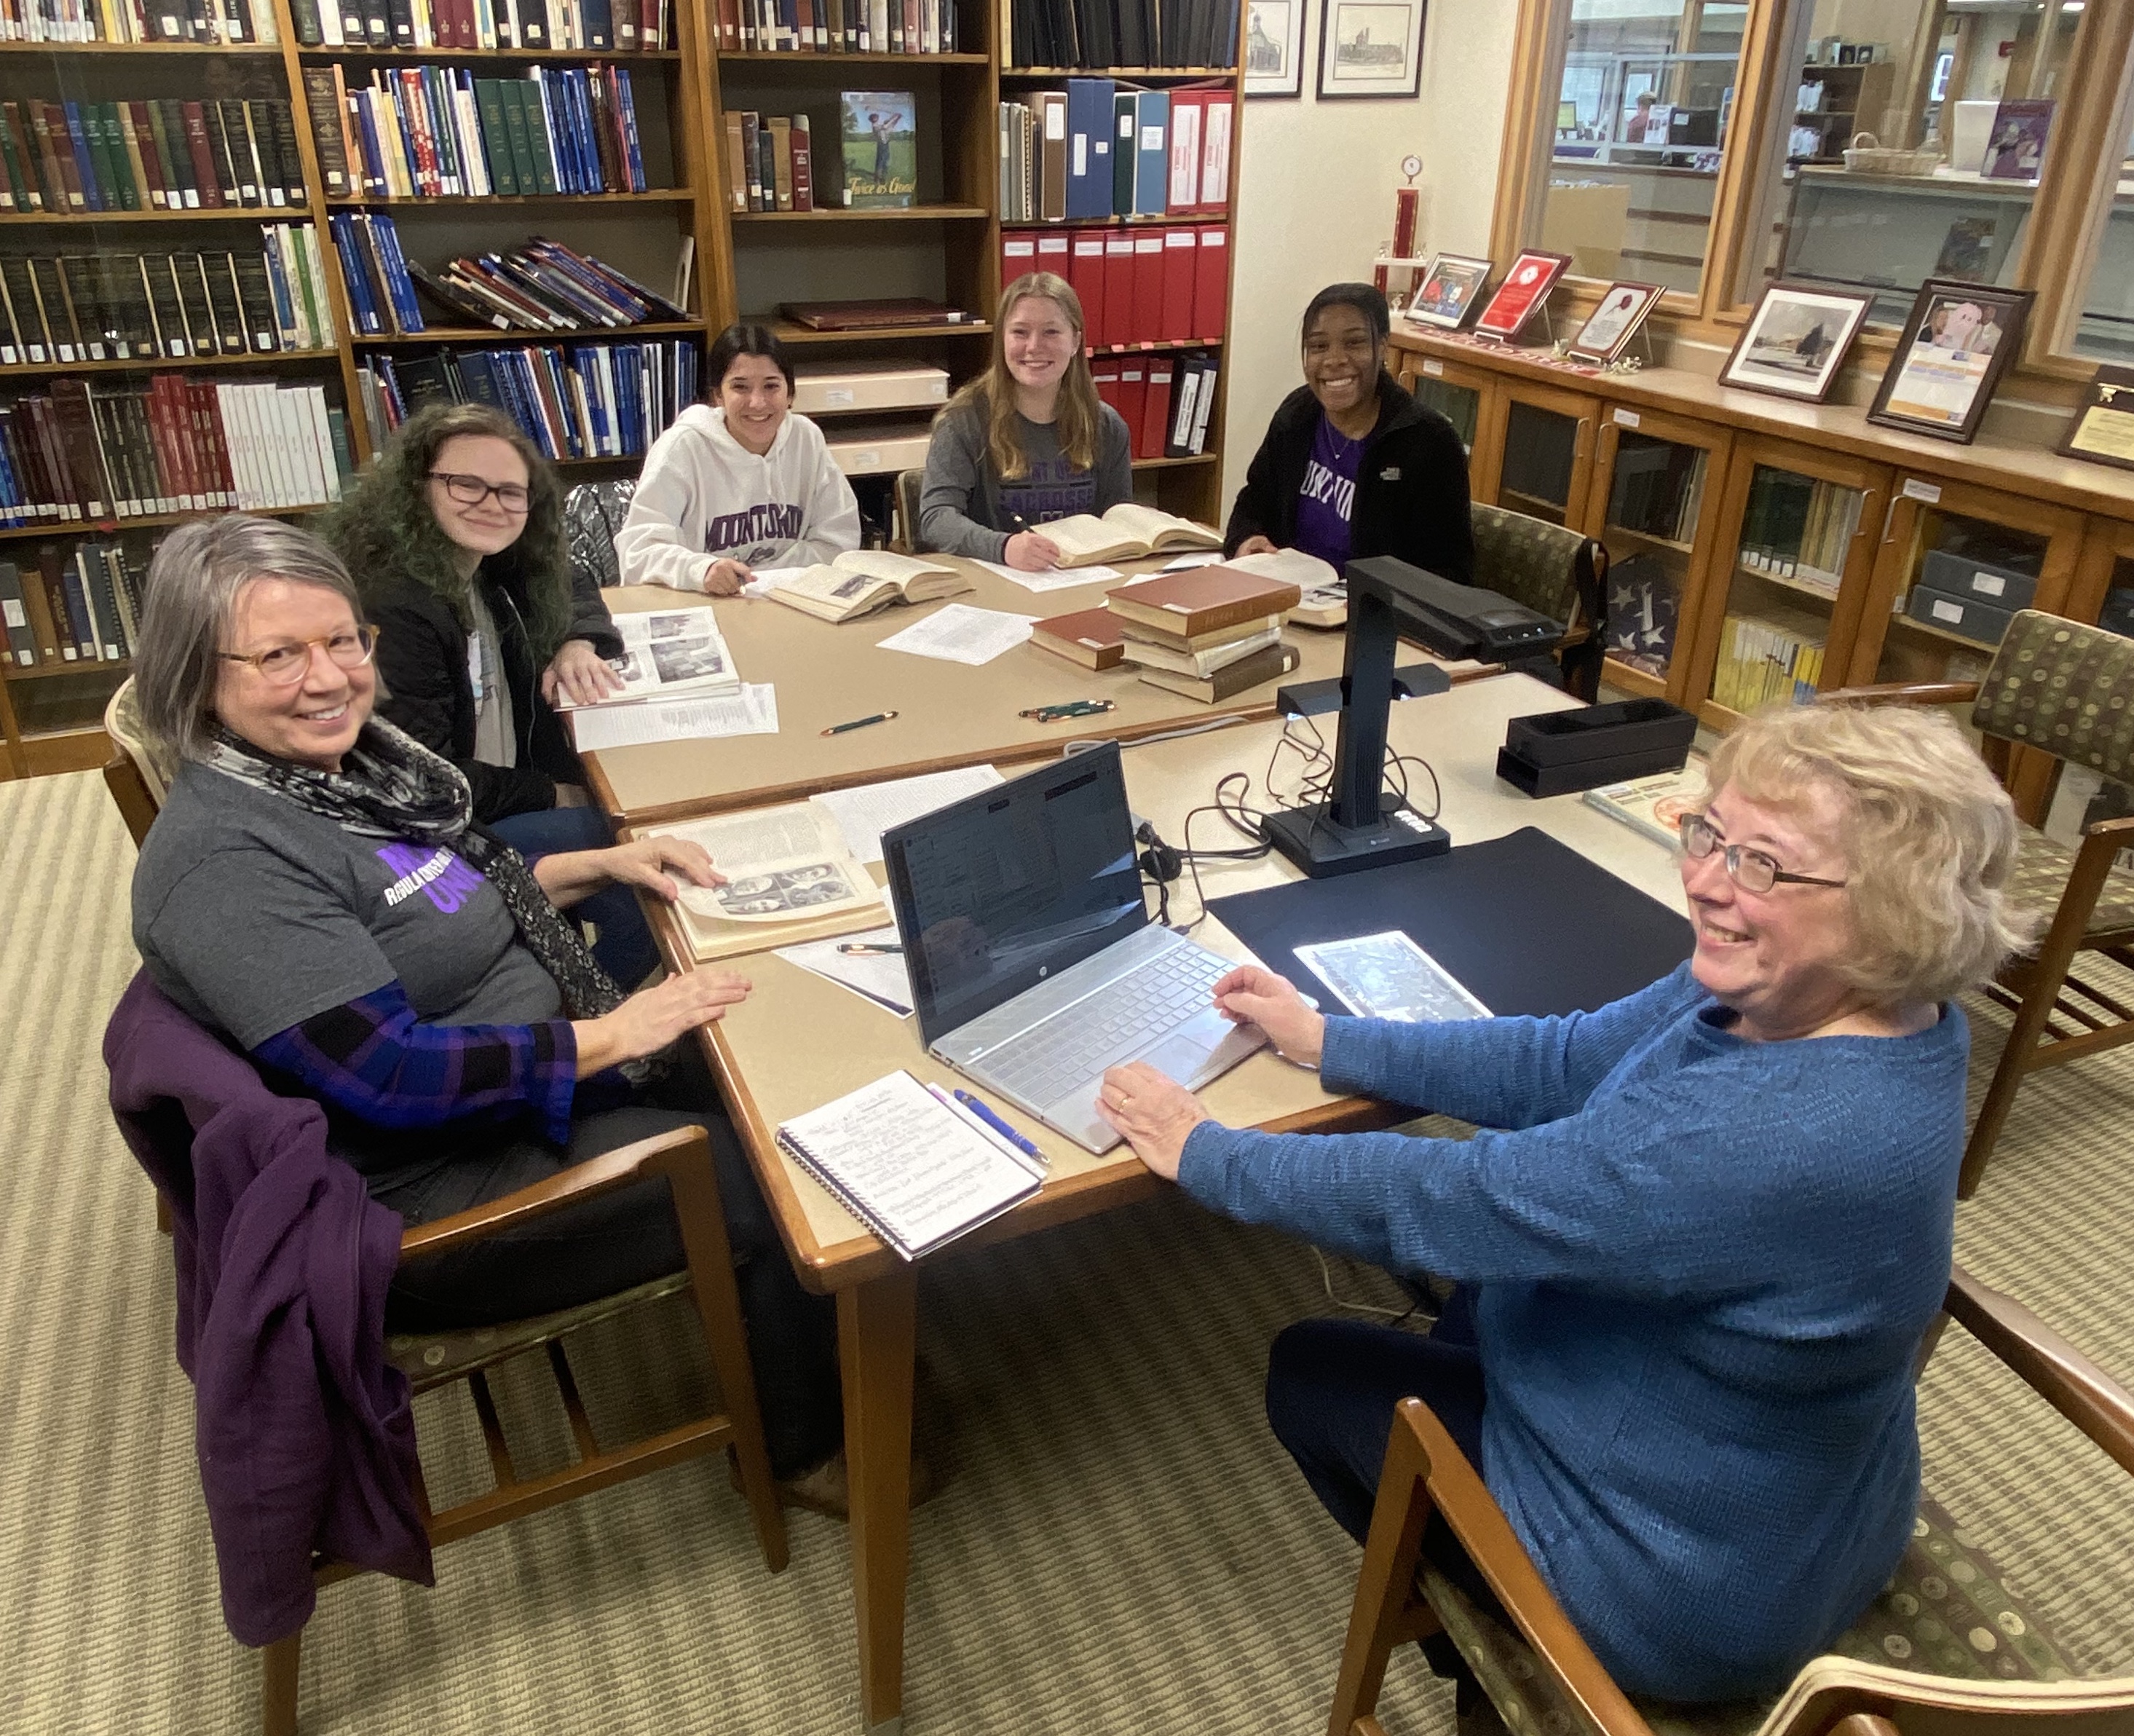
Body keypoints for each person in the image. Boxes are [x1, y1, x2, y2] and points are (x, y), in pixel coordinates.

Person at [1095, 702, 2033, 1704]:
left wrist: (1208, 1157)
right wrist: (1329, 1038)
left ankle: (1502, 1676)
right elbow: (1568, 1059)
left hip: (1680, 1592)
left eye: (1762, 863)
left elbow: (1453, 1196)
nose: (1705, 882)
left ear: (1894, 909)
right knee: (1472, 1301)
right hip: (1799, 1500)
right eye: (1707, 832)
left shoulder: (1769, 1138)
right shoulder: (1839, 995)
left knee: (1310, 1371)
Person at [126, 515, 849, 1507]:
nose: (331, 677)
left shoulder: (343, 774)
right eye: (279, 656)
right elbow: (391, 1077)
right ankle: (805, 1448)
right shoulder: (228, 865)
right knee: (754, 1169)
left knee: (763, 1054)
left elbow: (441, 896)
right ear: (193, 677)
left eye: (343, 640)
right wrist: (612, 1035)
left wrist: (596, 864)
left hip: (509, 1072)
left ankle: (818, 1311)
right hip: (427, 1189)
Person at [325, 403, 657, 985]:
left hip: (483, 792)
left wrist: (579, 638)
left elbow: (567, 571)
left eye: (511, 491)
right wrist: (548, 793)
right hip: (428, 837)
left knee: (628, 829)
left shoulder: (476, 560)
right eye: (465, 484)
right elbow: (422, 780)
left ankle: (579, 1002)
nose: (491, 503)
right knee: (637, 864)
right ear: (417, 488)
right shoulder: (396, 606)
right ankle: (581, 1031)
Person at [1226, 283, 1474, 585]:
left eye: (1354, 343)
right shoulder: (1297, 415)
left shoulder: (1428, 442)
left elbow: (1449, 574)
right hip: (1286, 598)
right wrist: (1247, 541)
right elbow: (1254, 502)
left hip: (1371, 617)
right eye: (1318, 347)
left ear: (1383, 346)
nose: (1334, 360)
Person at [614, 323, 861, 596]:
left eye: (771, 386)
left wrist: (764, 578)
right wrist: (701, 570)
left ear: (790, 394)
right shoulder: (682, 448)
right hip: (704, 601)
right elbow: (637, 553)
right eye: (740, 387)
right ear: (718, 395)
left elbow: (840, 540)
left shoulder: (807, 439)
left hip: (790, 598)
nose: (757, 402)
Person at [919, 272, 1133, 571]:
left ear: (1075, 342)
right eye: (1020, 332)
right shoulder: (962, 421)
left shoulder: (1107, 426)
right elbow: (936, 518)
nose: (1034, 346)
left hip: (1081, 580)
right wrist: (1003, 547)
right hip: (997, 579)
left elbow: (1118, 518)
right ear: (1002, 340)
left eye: (1051, 332)